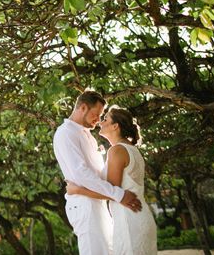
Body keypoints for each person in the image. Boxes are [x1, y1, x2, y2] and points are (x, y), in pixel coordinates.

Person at [53, 91, 142, 255]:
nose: (98, 120)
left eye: (102, 116)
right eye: (96, 114)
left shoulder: (88, 136)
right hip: (84, 205)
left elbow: (100, 175)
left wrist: (116, 194)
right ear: (83, 107)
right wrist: (118, 194)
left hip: (99, 203)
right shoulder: (66, 133)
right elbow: (81, 174)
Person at [66, 106, 157, 255]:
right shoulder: (131, 149)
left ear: (115, 126)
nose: (101, 122)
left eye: (105, 119)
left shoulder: (117, 151)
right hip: (138, 216)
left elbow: (112, 192)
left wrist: (76, 190)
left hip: (129, 221)